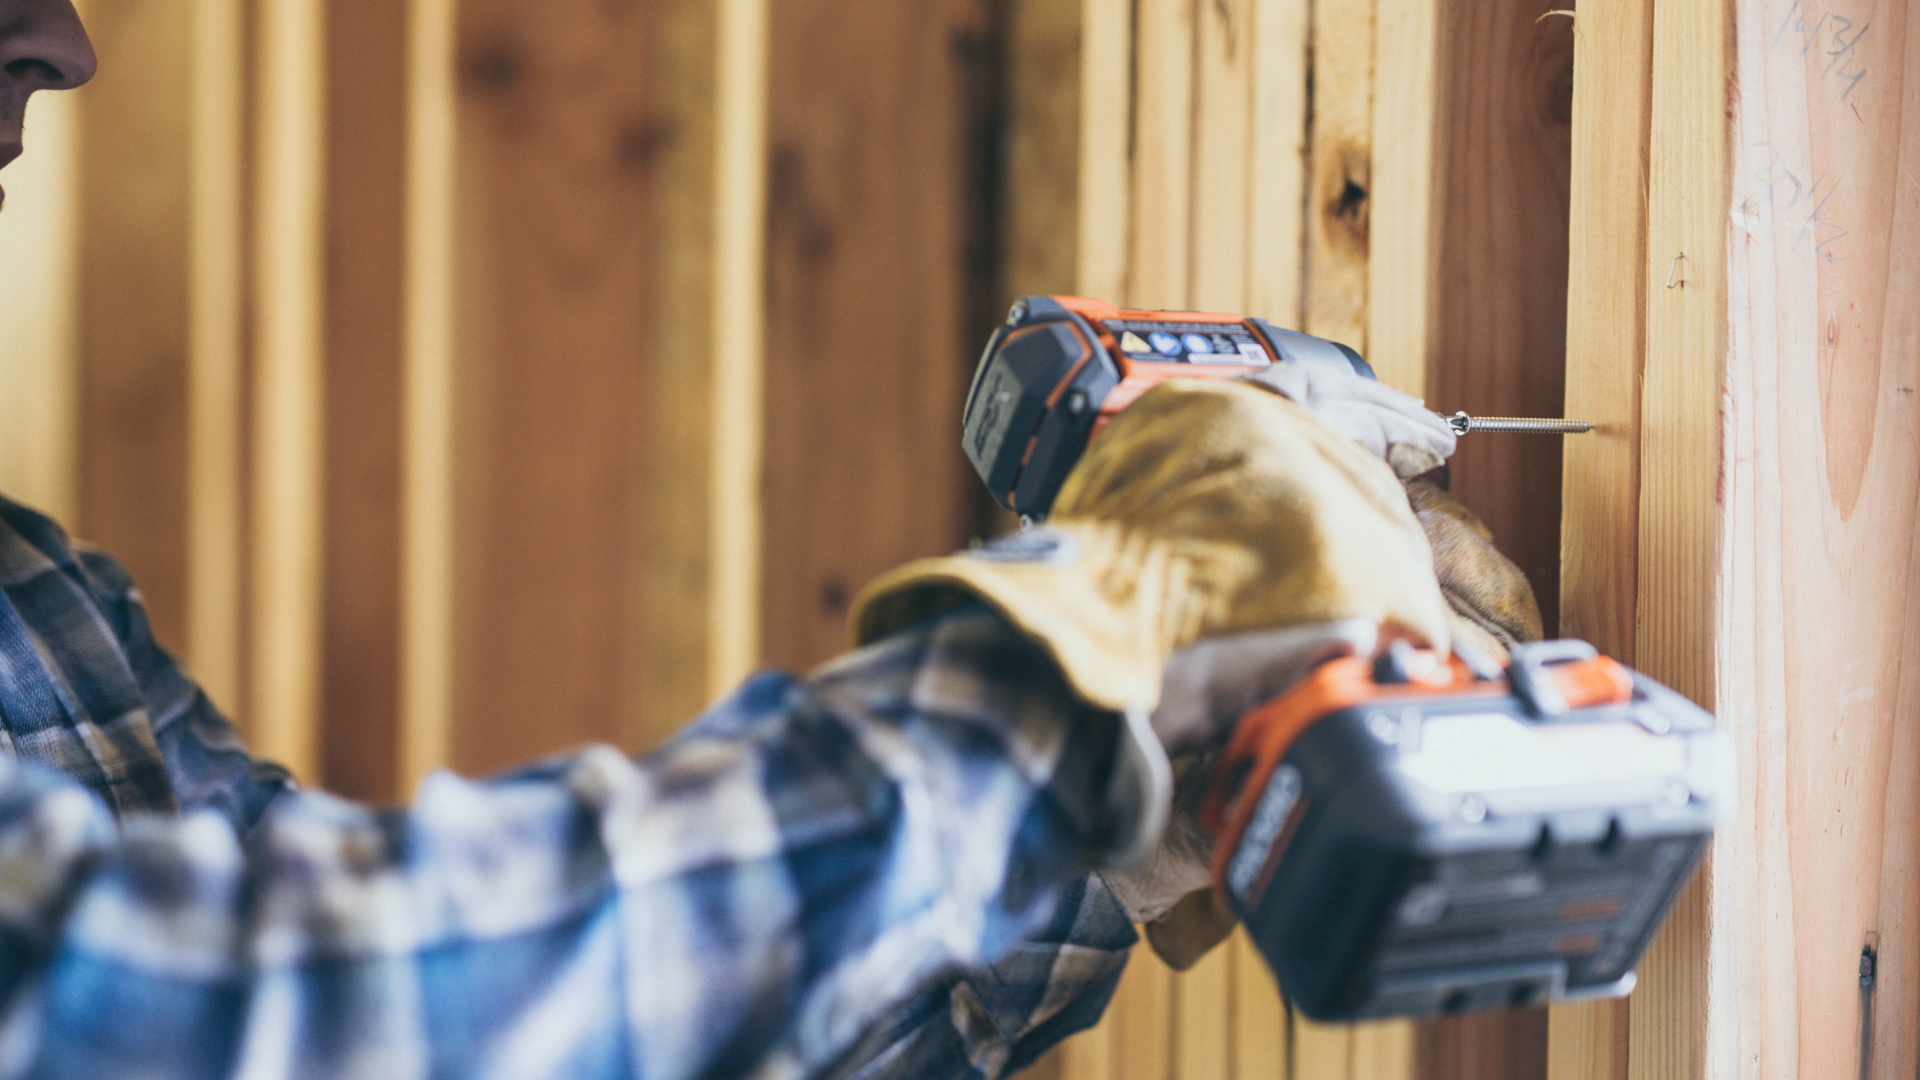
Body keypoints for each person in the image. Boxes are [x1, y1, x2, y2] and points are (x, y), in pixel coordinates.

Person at [0, 4, 1541, 1078]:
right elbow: (242, 1030)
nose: (66, 41)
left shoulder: (39, 612)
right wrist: (1090, 660)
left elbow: (553, 1031)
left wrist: (1121, 817)